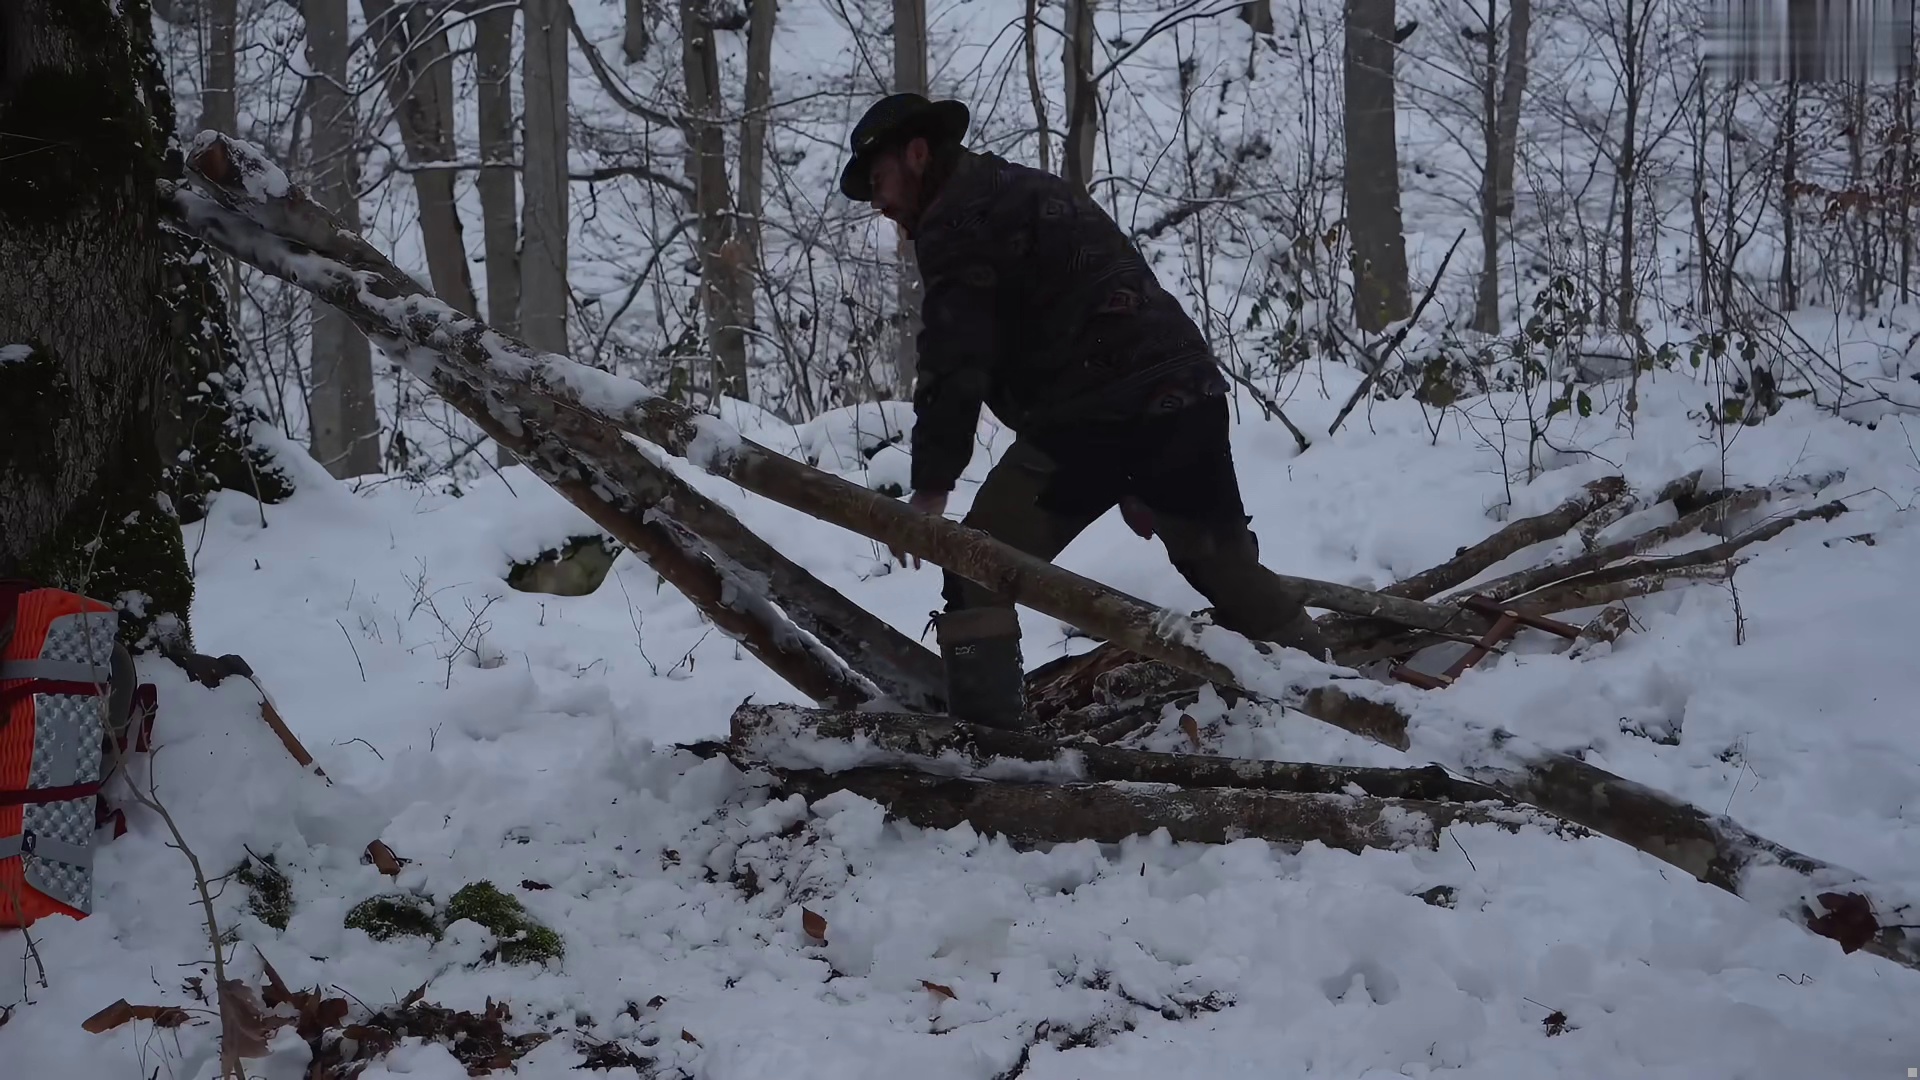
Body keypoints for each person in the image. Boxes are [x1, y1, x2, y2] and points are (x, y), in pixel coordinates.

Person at [839, 92, 1328, 730]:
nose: (879, 203)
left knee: (973, 564)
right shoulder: (1023, 187)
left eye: (878, 181)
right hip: (1185, 393)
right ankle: (1331, 690)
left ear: (917, 153)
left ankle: (992, 748)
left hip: (1094, 419)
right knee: (1220, 562)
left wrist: (932, 486)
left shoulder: (956, 219)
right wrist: (1136, 470)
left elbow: (955, 358)